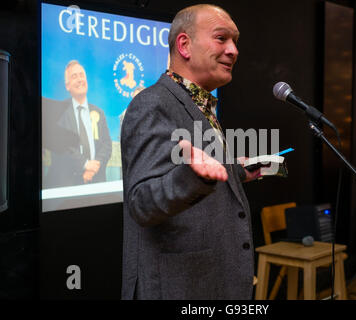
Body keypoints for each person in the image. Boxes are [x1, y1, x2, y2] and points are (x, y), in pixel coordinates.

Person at [120, 4, 260, 299]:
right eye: (222, 39)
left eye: (235, 41)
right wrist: (191, 176)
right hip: (179, 287)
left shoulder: (200, 104)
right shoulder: (151, 104)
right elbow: (141, 202)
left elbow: (197, 171)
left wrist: (236, 171)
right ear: (184, 45)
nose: (234, 50)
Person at [43, 60, 112, 188]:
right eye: (74, 76)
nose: (80, 79)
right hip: (67, 185)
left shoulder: (99, 113)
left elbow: (106, 145)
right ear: (67, 86)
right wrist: (85, 165)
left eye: (82, 75)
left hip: (96, 182)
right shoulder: (58, 112)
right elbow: (62, 146)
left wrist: (94, 167)